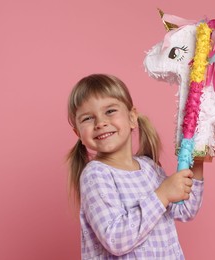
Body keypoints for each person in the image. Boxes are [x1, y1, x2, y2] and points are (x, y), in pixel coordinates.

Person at [67, 74, 204, 259]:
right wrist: (162, 195)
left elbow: (184, 210)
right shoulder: (96, 175)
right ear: (78, 133)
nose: (100, 123)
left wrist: (198, 161)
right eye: (87, 118)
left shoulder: (150, 168)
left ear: (132, 118)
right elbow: (115, 240)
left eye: (110, 111)